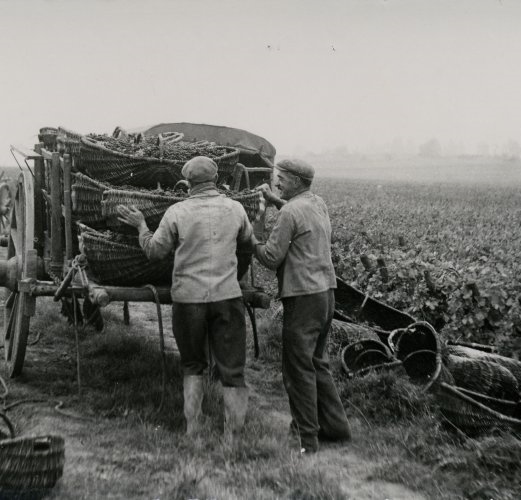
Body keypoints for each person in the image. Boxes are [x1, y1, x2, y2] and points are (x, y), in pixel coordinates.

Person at [116, 156, 254, 437]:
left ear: (187, 183)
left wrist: (141, 225)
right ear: (215, 180)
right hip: (227, 297)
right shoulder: (236, 209)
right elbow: (247, 241)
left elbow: (155, 252)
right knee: (233, 370)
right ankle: (233, 438)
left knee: (193, 365)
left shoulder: (176, 212)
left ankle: (193, 429)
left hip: (189, 299)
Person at [251, 158, 351, 454]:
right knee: (318, 362)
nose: (277, 181)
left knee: (297, 368)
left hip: (303, 298)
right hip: (326, 294)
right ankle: (336, 429)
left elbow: (270, 258)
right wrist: (275, 200)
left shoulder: (291, 212)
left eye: (281, 178)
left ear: (295, 180)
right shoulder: (316, 203)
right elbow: (296, 212)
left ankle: (305, 439)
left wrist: (255, 228)